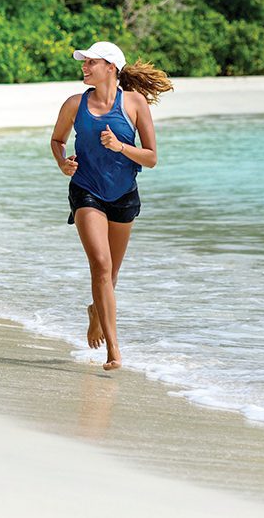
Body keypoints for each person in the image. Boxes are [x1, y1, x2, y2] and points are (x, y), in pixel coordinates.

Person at [49, 41, 172, 370]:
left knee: (111, 275)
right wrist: (63, 163)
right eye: (85, 62)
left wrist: (120, 147)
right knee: (101, 266)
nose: (85, 67)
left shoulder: (134, 103)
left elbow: (151, 157)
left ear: (111, 68)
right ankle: (114, 351)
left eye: (91, 62)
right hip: (86, 191)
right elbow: (57, 140)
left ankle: (96, 311)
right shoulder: (74, 104)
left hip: (123, 195)